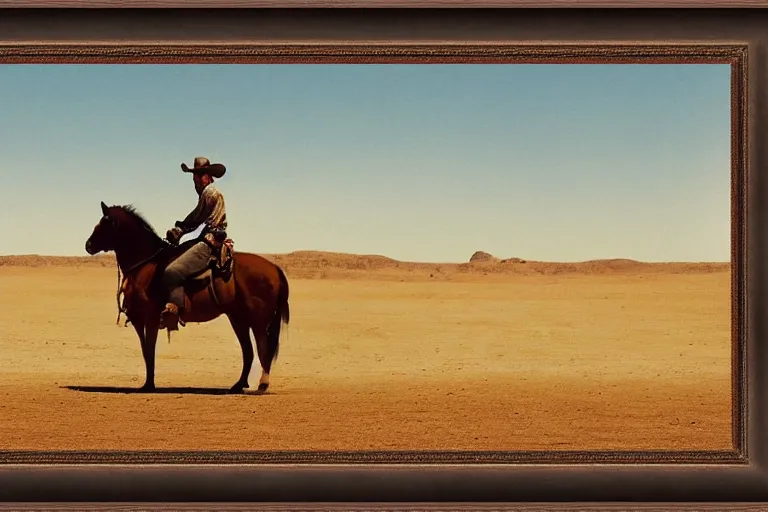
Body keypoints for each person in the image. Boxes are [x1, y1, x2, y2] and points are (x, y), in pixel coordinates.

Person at [160, 157, 228, 331]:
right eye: (194, 178)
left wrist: (179, 230)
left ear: (205, 176)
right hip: (207, 237)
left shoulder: (210, 193)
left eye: (196, 178)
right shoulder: (208, 193)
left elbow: (196, 217)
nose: (195, 182)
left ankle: (174, 310)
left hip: (210, 241)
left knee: (172, 271)